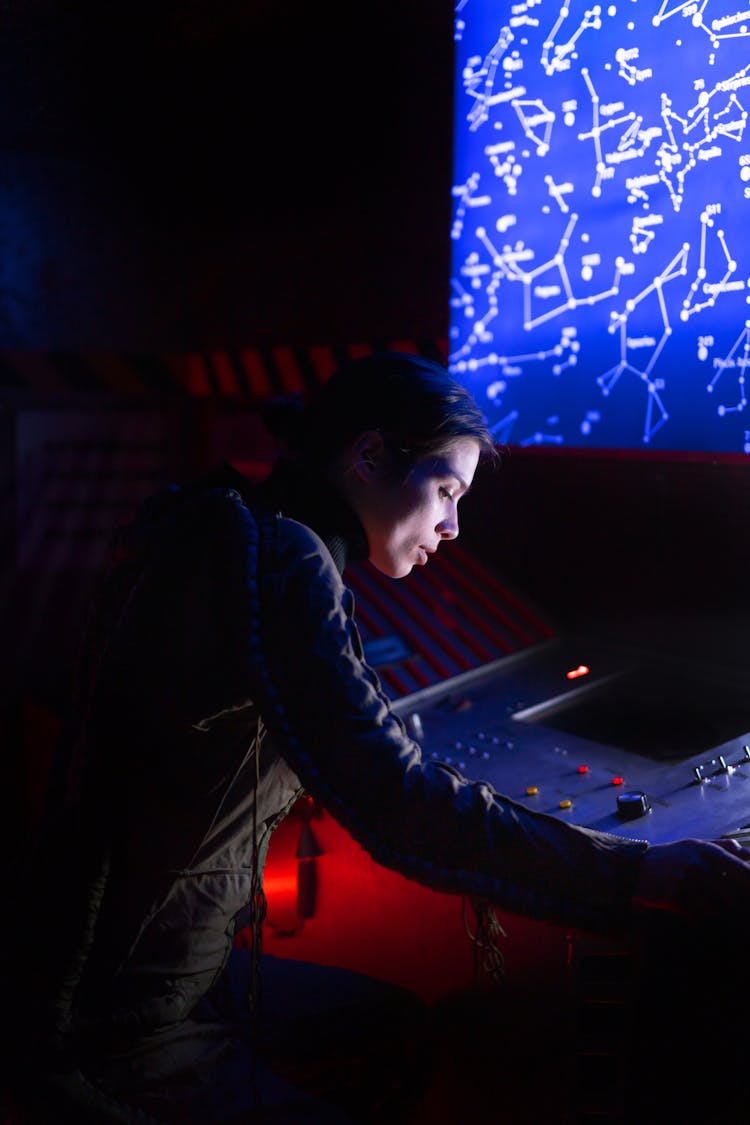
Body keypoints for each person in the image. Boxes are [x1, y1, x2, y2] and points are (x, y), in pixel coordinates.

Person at [4, 350, 750, 1124]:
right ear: (367, 457)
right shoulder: (278, 556)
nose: (453, 526)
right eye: (445, 491)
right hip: (122, 1017)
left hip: (140, 968)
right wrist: (632, 874)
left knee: (392, 1027)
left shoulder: (231, 522)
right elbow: (392, 797)